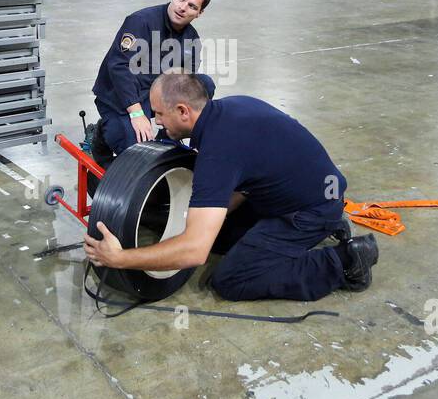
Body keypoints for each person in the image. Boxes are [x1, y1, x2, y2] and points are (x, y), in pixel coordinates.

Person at [83, 73, 379, 302]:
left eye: (160, 113)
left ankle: (344, 262)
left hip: (309, 209)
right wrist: (205, 217)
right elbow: (256, 169)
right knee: (219, 237)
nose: (156, 121)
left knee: (232, 279)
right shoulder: (233, 107)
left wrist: (121, 259)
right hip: (306, 190)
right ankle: (324, 225)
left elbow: (195, 252)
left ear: (184, 111)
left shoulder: (218, 152)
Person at [91, 0, 215, 159]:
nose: (182, 8)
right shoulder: (141, 22)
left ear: (199, 13)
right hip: (121, 97)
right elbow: (119, 67)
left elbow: (187, 84)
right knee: (137, 153)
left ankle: (168, 139)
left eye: (191, 6)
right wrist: (137, 113)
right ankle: (102, 135)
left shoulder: (191, 39)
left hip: (156, 96)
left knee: (204, 85)